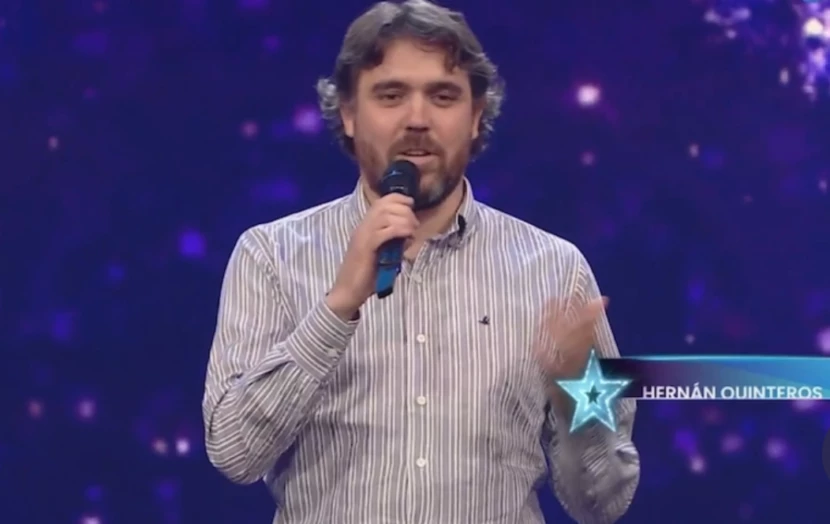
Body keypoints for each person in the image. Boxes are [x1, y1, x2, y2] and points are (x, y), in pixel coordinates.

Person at [202, 1, 640, 522]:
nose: (417, 119)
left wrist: (575, 401)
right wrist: (337, 308)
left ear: (475, 116)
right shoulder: (271, 256)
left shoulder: (554, 270)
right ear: (348, 113)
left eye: (443, 96)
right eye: (391, 95)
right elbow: (234, 454)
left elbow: (604, 502)